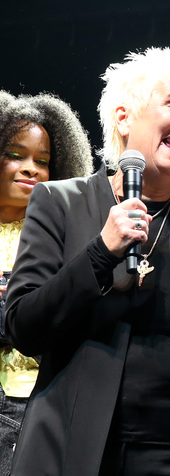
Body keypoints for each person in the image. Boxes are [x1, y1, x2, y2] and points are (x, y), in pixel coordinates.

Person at [4, 48, 170, 476]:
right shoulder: (59, 202)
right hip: (77, 450)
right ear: (124, 117)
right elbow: (24, 328)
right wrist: (101, 251)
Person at [0, 90, 92, 476]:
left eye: (43, 161)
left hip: (32, 399)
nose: (31, 168)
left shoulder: (61, 234)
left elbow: (47, 318)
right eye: (15, 154)